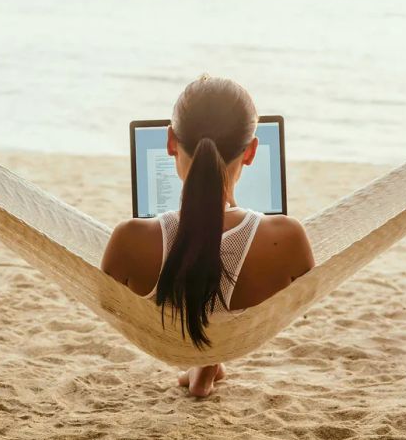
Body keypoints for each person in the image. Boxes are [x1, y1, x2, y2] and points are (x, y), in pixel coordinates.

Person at [101, 74, 315, 397]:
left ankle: (205, 362)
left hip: (175, 334)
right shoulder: (287, 239)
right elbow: (303, 300)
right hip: (236, 325)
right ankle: (208, 361)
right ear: (252, 151)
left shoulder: (129, 240)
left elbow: (109, 304)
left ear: (171, 142)